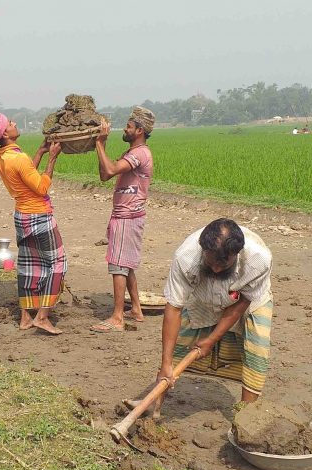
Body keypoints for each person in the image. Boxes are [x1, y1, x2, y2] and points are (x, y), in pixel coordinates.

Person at [128, 218, 273, 417]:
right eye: (211, 262)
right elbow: (174, 308)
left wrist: (212, 339)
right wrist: (165, 363)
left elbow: (242, 302)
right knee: (178, 345)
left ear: (236, 254)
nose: (215, 269)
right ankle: (153, 404)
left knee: (256, 349)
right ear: (203, 249)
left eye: (223, 264)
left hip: (249, 302)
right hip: (203, 296)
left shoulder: (259, 260)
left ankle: (246, 416)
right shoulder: (186, 257)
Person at [0, 112, 67, 335]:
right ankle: (42, 316)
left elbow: (26, 174)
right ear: (5, 134)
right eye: (10, 123)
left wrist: (40, 151)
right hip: (39, 216)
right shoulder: (17, 158)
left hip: (22, 216)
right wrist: (52, 158)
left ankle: (25, 317)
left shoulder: (4, 156)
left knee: (29, 266)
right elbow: (40, 187)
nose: (14, 123)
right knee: (57, 264)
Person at [89, 106, 155, 333]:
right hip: (126, 215)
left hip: (127, 217)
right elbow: (105, 175)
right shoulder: (134, 153)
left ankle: (117, 317)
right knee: (126, 263)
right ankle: (136, 308)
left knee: (118, 265)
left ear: (139, 130)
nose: (125, 130)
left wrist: (99, 142)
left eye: (128, 126)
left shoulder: (139, 154)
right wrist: (102, 145)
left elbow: (109, 168)